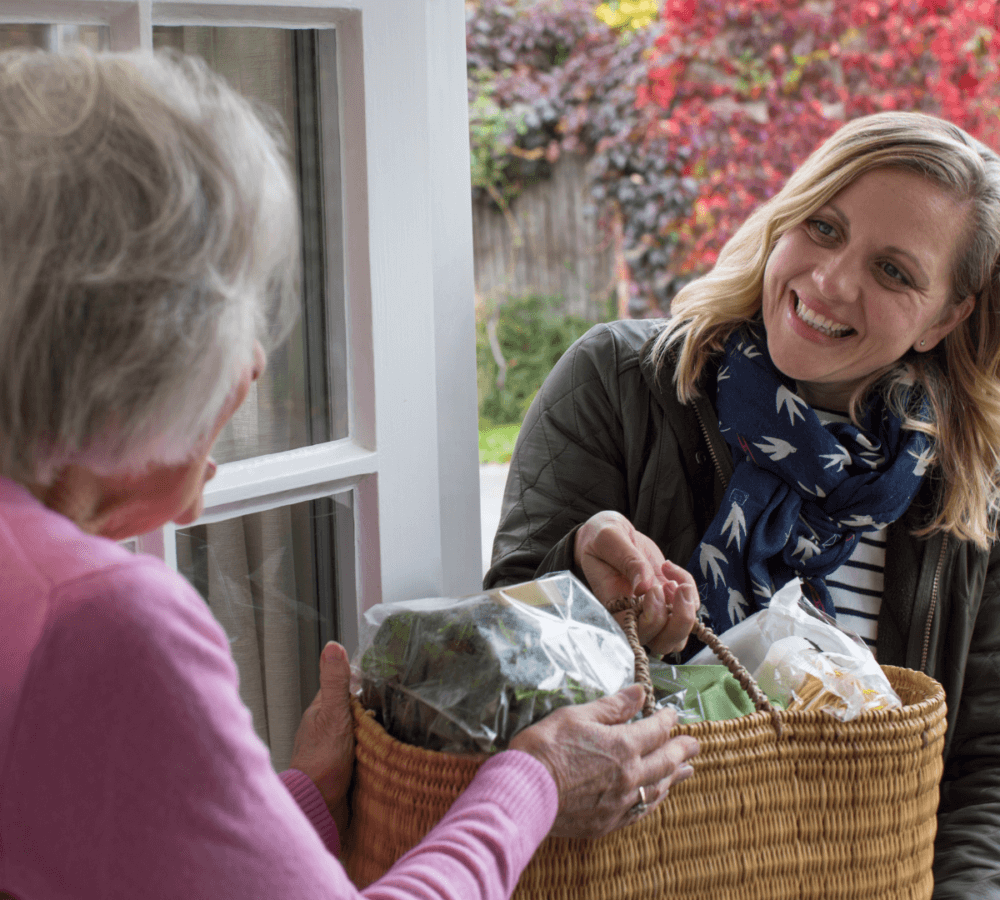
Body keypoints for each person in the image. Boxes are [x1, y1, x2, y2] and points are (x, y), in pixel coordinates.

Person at [0, 48, 701, 900]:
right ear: (130, 343)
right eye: (236, 308)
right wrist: (537, 782)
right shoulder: (102, 619)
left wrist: (296, 801)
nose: (254, 365)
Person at [486, 110, 1000, 899]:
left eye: (895, 272)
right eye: (823, 227)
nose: (831, 281)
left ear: (947, 317)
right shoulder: (620, 385)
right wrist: (580, 582)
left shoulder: (968, 493)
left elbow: (983, 772)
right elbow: (493, 672)